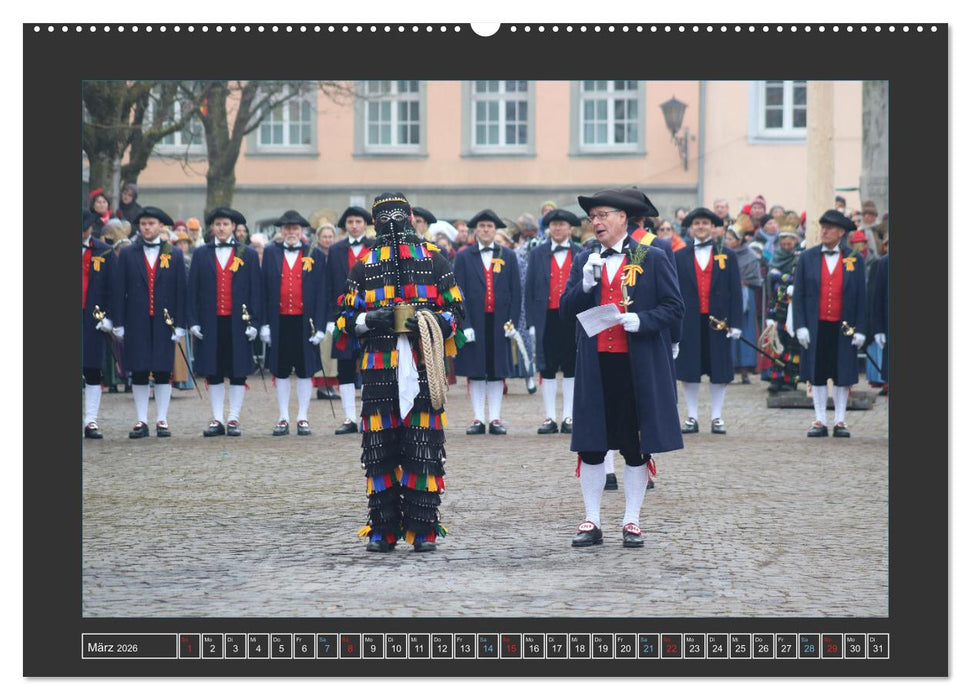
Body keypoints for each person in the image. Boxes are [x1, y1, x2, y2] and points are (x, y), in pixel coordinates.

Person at [332, 192, 465, 552]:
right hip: (379, 369)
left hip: (424, 367)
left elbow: (457, 312)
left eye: (398, 217)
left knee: (423, 447)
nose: (393, 226)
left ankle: (423, 530)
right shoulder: (362, 267)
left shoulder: (437, 263)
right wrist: (369, 319)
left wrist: (434, 320)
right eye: (385, 218)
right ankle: (383, 529)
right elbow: (342, 319)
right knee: (380, 449)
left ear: (409, 218)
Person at [561, 189, 684, 548]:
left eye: (602, 216)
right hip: (595, 363)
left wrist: (641, 319)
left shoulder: (653, 256)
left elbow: (675, 308)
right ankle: (592, 519)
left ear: (622, 219)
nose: (596, 223)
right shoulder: (585, 256)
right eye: (592, 217)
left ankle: (631, 520)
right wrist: (584, 285)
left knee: (635, 445)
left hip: (637, 365)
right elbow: (566, 311)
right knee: (592, 444)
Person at [109, 206, 187, 438]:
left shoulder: (173, 254)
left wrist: (180, 324)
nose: (147, 228)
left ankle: (162, 419)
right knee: (140, 370)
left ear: (160, 226)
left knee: (163, 370)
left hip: (165, 321)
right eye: (143, 224)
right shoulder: (128, 254)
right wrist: (119, 322)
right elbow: (119, 290)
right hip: (137, 320)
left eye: (151, 224)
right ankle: (141, 419)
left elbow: (180, 291)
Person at [187, 207, 262, 437]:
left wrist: (255, 322)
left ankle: (234, 418)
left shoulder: (247, 253)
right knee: (214, 370)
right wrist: (193, 321)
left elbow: (256, 290)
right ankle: (217, 418)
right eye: (217, 224)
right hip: (211, 321)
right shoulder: (201, 254)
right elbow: (193, 290)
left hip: (238, 321)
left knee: (238, 371)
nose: (221, 228)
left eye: (225, 224)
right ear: (212, 228)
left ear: (233, 228)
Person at [792, 210, 867, 438]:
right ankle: (820, 419)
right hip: (816, 326)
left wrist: (862, 329)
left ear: (841, 232)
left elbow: (861, 297)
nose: (824, 231)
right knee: (818, 372)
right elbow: (799, 295)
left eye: (830, 227)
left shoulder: (855, 259)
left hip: (844, 327)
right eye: (822, 226)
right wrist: (800, 325)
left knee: (842, 372)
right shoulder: (807, 257)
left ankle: (841, 420)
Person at [674, 207, 743, 434]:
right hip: (689, 321)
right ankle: (692, 416)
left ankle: (716, 417)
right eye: (697, 224)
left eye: (705, 223)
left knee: (719, 369)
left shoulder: (727, 254)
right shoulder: (679, 256)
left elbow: (735, 291)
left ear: (713, 228)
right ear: (691, 228)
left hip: (719, 321)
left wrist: (736, 323)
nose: (701, 227)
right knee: (689, 369)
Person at [260, 211, 329, 436]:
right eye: (287, 229)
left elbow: (322, 292)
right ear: (281, 231)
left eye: (295, 229)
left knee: (304, 370)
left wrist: (320, 325)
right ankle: (282, 417)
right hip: (279, 320)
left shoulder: (315, 254)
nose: (291, 232)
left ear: (302, 231)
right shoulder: (271, 253)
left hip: (304, 321)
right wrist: (264, 324)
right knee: (280, 371)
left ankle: (302, 417)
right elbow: (264, 290)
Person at [453, 208, 521, 435]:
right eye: (481, 226)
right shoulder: (463, 256)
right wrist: (465, 324)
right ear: (475, 230)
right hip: (475, 321)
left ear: (495, 230)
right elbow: (458, 294)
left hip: (499, 321)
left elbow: (515, 292)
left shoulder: (508, 256)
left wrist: (512, 323)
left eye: (489, 226)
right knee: (476, 370)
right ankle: (478, 418)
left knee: (495, 371)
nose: (485, 230)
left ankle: (495, 418)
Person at [525, 208, 583, 434]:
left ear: (571, 229)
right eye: (554, 225)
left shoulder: (580, 252)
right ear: (549, 228)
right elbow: (529, 289)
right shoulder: (537, 253)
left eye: (562, 225)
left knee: (571, 367)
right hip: (545, 317)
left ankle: (569, 416)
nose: (557, 228)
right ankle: (549, 417)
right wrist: (530, 322)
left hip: (572, 316)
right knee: (546, 367)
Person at [328, 206, 375, 434]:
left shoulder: (376, 247)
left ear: (365, 224)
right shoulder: (335, 250)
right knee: (345, 366)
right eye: (350, 222)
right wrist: (331, 317)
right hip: (343, 316)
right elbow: (329, 285)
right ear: (345, 225)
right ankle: (349, 417)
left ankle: (367, 416)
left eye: (358, 221)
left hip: (372, 314)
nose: (354, 225)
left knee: (370, 366)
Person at [81, 210, 115, 438]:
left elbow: (113, 289)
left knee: (93, 369)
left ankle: (90, 420)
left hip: (93, 318)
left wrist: (109, 318)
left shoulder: (104, 251)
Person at [725, 216, 763, 384]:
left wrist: (742, 282)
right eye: (727, 238)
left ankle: (746, 368)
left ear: (739, 240)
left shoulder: (751, 257)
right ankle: (730, 366)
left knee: (746, 331)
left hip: (745, 298)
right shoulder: (723, 255)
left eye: (731, 239)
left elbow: (756, 279)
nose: (728, 242)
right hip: (728, 296)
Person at [310, 223, 340, 400]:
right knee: (323, 348)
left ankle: (330, 384)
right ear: (318, 238)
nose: (328, 240)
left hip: (334, 307)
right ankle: (322, 386)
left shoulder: (336, 254)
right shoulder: (314, 255)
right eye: (324, 236)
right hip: (320, 306)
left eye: (330, 236)